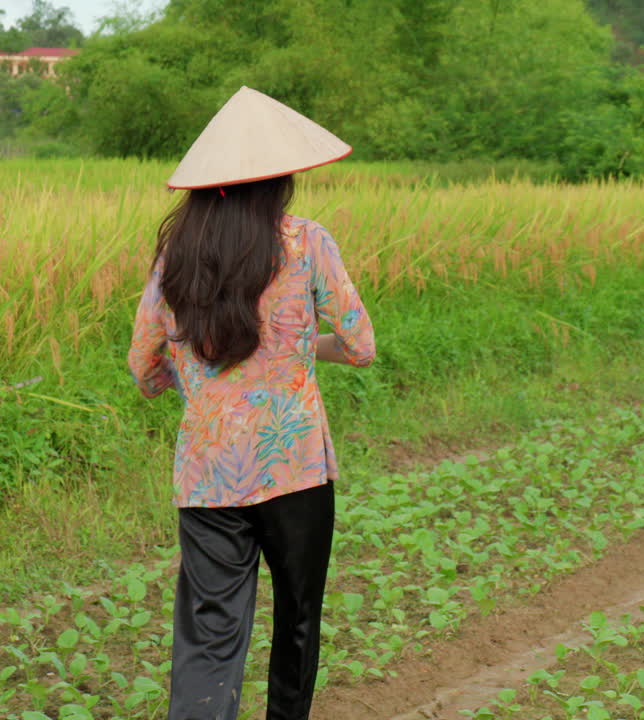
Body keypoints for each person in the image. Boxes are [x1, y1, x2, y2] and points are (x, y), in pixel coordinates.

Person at [127, 86, 376, 720]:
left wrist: (191, 378)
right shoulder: (306, 242)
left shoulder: (177, 254)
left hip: (208, 472)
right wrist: (296, 348)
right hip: (294, 467)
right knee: (297, 617)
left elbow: (144, 369)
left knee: (210, 633)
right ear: (279, 180)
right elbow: (360, 345)